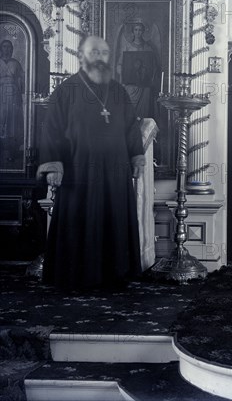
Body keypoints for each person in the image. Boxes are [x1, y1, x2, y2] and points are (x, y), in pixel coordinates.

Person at [37, 35, 146, 291]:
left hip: (115, 170)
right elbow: (51, 129)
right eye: (94, 53)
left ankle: (115, 275)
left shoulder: (118, 90)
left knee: (113, 217)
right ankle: (77, 275)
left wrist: (136, 155)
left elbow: (131, 126)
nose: (100, 58)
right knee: (80, 219)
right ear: (81, 56)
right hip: (78, 169)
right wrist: (54, 164)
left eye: (104, 53)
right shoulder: (66, 90)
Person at [116, 21, 160, 120]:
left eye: (140, 30)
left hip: (144, 86)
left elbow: (154, 66)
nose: (138, 32)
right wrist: (124, 73)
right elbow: (119, 65)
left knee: (145, 112)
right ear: (133, 31)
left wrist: (149, 75)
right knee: (130, 109)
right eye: (136, 30)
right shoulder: (127, 47)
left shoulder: (148, 48)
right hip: (130, 85)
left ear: (143, 31)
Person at [0, 40, 24, 166]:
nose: (7, 49)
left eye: (9, 47)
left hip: (13, 98)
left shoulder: (16, 63)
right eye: (4, 47)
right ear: (1, 48)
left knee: (12, 126)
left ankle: (10, 153)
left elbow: (21, 81)